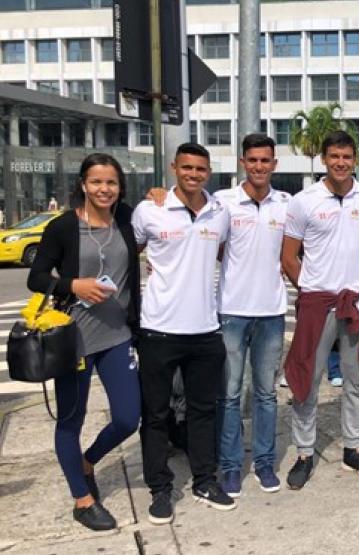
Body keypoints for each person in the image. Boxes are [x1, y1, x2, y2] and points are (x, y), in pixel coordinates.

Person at [27, 153, 142, 531]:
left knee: (128, 417)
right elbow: (37, 277)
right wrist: (71, 285)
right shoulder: (63, 227)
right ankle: (82, 499)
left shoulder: (125, 217)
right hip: (73, 339)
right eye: (96, 182)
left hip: (118, 335)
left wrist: (158, 193)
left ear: (119, 186)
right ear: (83, 184)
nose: (104, 189)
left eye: (111, 182)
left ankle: (88, 461)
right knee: (70, 420)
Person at [132, 143, 235, 525]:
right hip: (159, 329)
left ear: (209, 172)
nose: (193, 175)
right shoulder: (151, 210)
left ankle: (205, 481)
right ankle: (160, 489)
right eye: (187, 168)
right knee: (155, 415)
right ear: (174, 168)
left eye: (201, 169)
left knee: (203, 411)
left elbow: (221, 253)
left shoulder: (219, 213)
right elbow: (132, 252)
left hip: (205, 330)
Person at [282, 130, 359, 487]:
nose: (341, 163)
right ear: (324, 160)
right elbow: (289, 256)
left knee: (357, 381)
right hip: (317, 303)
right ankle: (305, 453)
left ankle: (353, 448)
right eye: (334, 157)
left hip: (356, 302)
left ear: (354, 159)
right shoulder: (304, 201)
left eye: (347, 157)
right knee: (306, 381)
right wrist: (311, 289)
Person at [213, 133, 290, 497]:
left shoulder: (286, 205)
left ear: (275, 164)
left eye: (266, 160)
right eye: (253, 160)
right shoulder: (223, 202)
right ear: (243, 162)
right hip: (231, 312)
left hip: (272, 313)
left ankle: (263, 462)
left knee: (266, 394)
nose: (259, 166)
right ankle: (230, 466)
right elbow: (205, 241)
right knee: (229, 395)